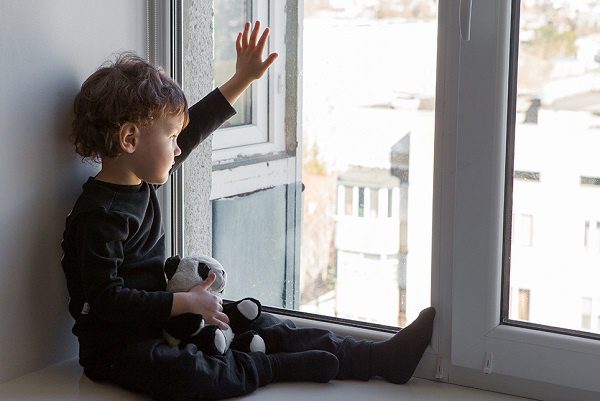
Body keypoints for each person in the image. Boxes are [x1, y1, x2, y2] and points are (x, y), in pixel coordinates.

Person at [61, 21, 436, 401]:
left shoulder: (140, 178)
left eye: (176, 138)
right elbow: (107, 299)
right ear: (130, 139)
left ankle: (376, 358)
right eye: (170, 137)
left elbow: (194, 128)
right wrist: (186, 302)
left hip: (165, 319)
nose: (177, 149)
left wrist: (242, 78)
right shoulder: (101, 215)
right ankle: (269, 366)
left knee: (255, 319)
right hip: (118, 350)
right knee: (191, 374)